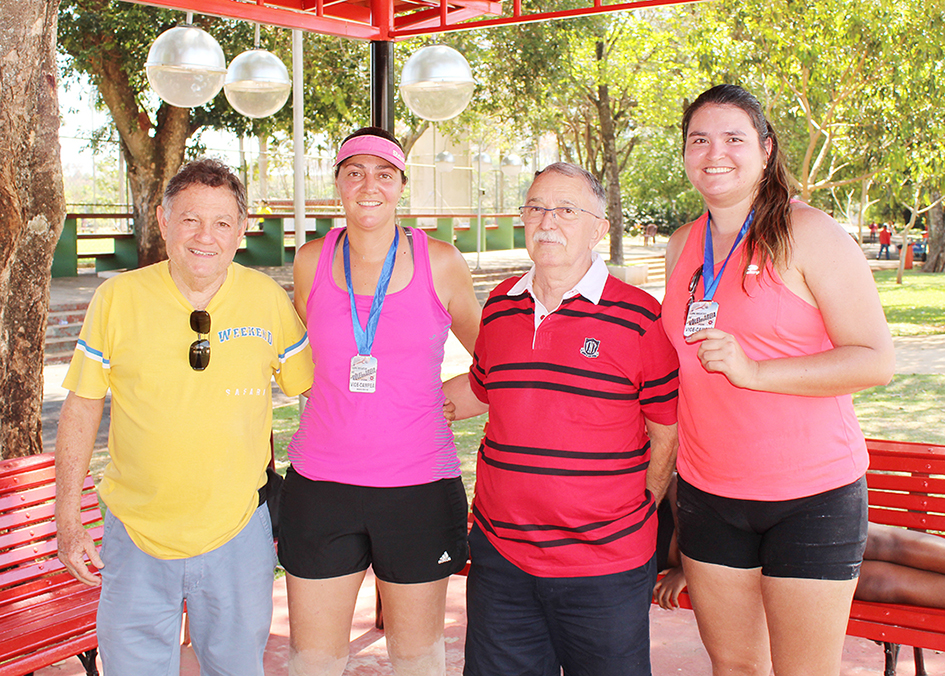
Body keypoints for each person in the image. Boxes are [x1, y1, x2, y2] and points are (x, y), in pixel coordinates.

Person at [662, 84, 895, 676]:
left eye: (734, 138)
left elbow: (874, 359)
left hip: (810, 496)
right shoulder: (681, 245)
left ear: (766, 150)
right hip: (709, 493)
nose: (715, 153)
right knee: (735, 667)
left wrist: (756, 371)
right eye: (699, 140)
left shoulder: (808, 231)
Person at [55, 158, 313, 675]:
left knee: (236, 668)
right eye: (190, 219)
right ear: (163, 220)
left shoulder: (266, 299)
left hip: (238, 532)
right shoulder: (117, 299)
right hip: (135, 534)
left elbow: (310, 390)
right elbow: (82, 405)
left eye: (222, 223)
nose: (205, 236)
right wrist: (67, 516)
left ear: (241, 232)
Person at [444, 162, 680, 676]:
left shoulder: (640, 318)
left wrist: (640, 506)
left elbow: (667, 432)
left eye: (566, 210)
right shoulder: (501, 306)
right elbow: (482, 389)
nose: (547, 221)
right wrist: (395, 409)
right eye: (536, 208)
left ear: (599, 228)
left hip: (605, 565)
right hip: (501, 558)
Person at [277, 127, 481, 676]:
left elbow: (494, 362)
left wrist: (446, 401)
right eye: (355, 172)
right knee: (312, 661)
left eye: (384, 174)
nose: (370, 185)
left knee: (416, 660)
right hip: (322, 486)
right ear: (338, 183)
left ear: (401, 187)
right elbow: (298, 357)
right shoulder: (310, 260)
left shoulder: (441, 261)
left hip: (418, 487)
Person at [654, 476, 945, 612]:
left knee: (881, 543)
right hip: (746, 566)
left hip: (750, 513)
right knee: (873, 585)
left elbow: (674, 481)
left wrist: (690, 561)